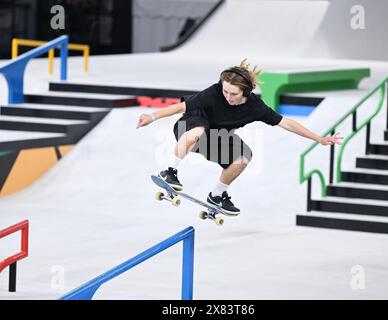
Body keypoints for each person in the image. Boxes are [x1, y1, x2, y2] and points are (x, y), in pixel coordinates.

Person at [137, 59, 343, 215]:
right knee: (198, 132)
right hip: (189, 126)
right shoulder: (214, 93)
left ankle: (217, 195)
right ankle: (170, 171)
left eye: (233, 94)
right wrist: (152, 116)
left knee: (244, 157)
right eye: (225, 91)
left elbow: (286, 123)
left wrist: (319, 139)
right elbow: (180, 107)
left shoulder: (256, 107)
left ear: (246, 92)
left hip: (216, 137)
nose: (227, 96)